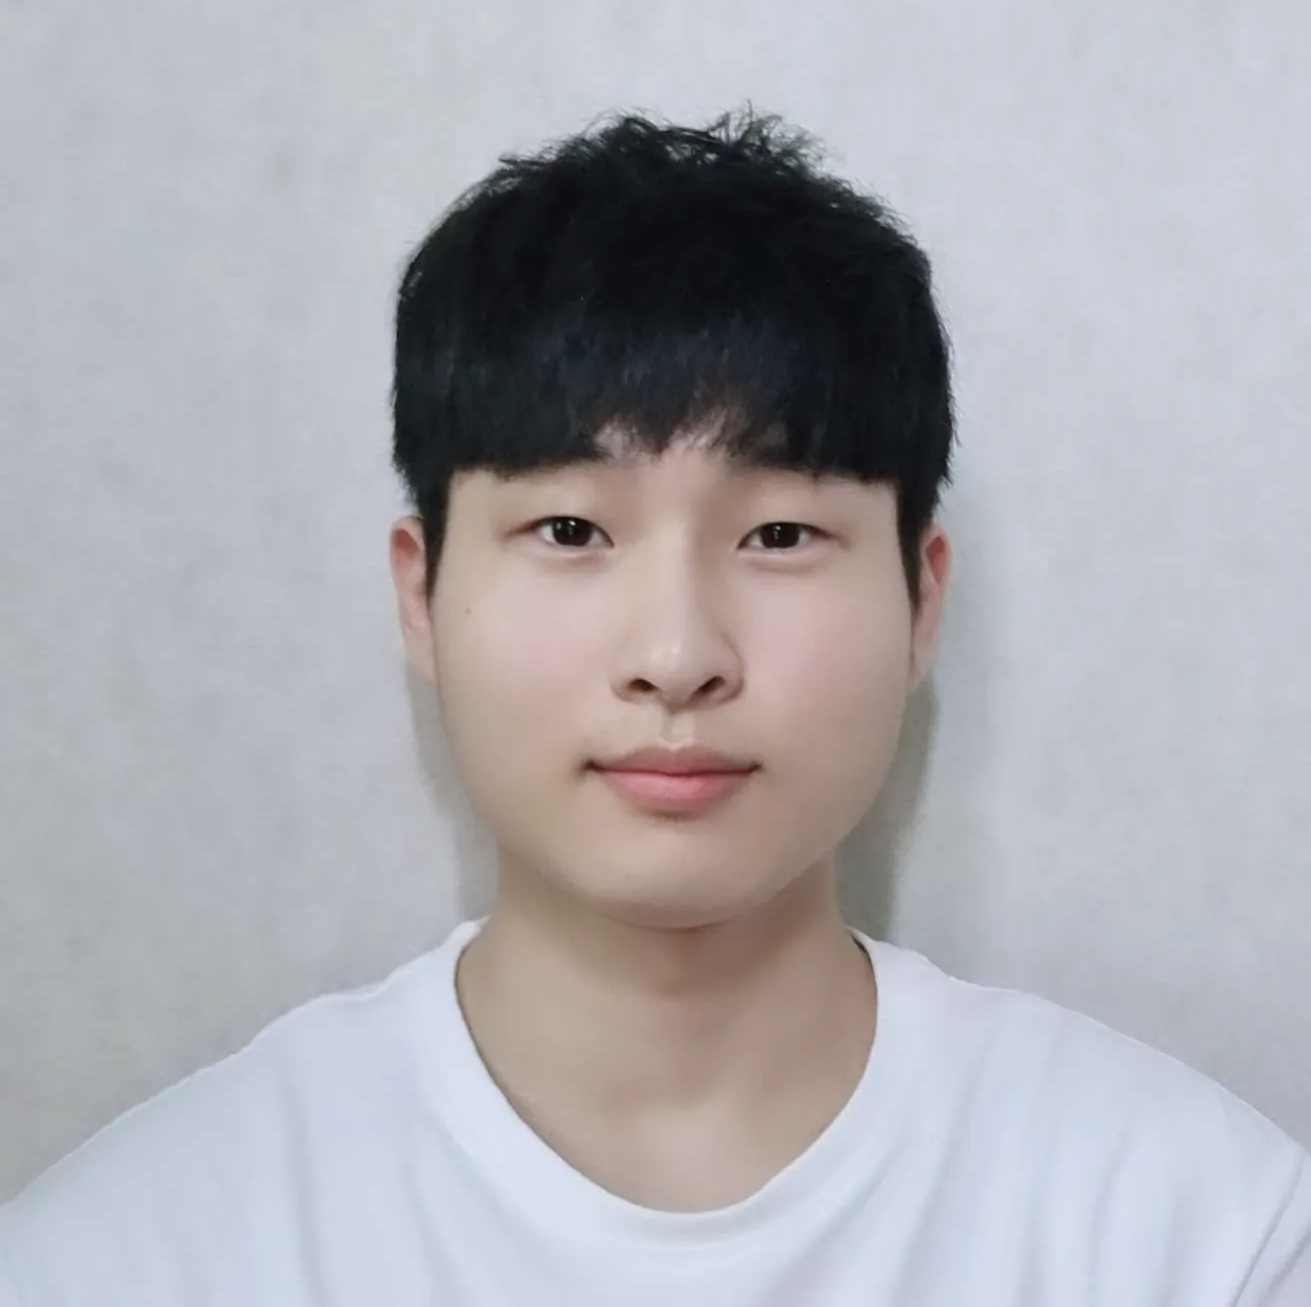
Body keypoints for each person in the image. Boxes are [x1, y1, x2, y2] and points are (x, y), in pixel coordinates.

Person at [1, 109, 1307, 1306]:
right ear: (421, 592)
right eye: (571, 529)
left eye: (780, 533)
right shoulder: (129, 1257)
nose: (677, 656)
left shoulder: (1198, 1240)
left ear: (920, 599)